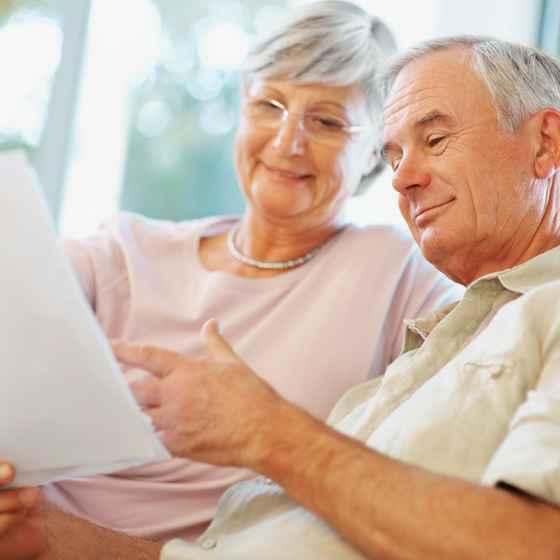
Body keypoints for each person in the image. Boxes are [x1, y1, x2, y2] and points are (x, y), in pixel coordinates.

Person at [9, 34, 560, 560]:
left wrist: (267, 432)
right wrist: (49, 538)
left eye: (435, 140)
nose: (402, 179)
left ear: (546, 142)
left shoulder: (443, 291)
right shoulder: (435, 342)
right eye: (396, 156)